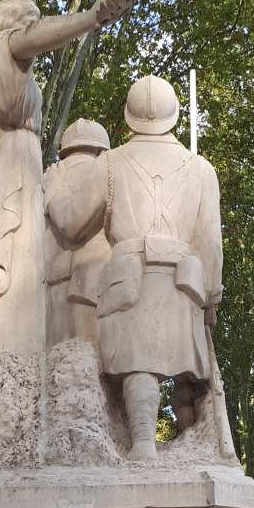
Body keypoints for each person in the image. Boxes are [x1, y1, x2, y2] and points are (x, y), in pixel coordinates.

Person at [0, 0, 158, 369]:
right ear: (9, 21)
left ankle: (9, 371)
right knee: (7, 289)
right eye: (29, 16)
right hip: (6, 188)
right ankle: (0, 368)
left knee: (20, 294)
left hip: (13, 181)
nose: (35, 22)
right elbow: (29, 40)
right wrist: (92, 18)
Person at [44, 75, 224, 460]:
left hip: (130, 279)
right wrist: (212, 297)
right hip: (182, 283)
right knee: (184, 370)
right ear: (173, 116)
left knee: (139, 364)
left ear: (129, 118)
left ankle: (144, 442)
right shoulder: (202, 170)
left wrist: (53, 190)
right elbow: (211, 245)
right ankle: (188, 440)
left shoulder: (110, 164)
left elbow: (72, 224)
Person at [43, 118, 111, 347]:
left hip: (52, 285)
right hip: (93, 285)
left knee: (57, 364)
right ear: (102, 150)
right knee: (93, 366)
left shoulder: (49, 176)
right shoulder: (105, 173)